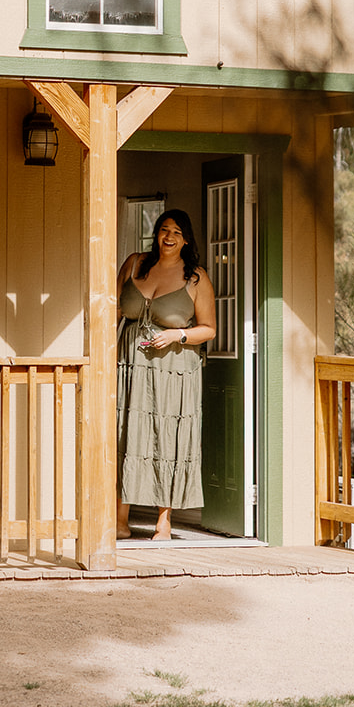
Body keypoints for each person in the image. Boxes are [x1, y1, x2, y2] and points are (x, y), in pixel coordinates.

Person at [116, 209, 216, 542]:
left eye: (175, 231)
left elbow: (209, 329)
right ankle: (119, 519)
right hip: (130, 368)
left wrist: (177, 336)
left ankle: (164, 521)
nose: (168, 236)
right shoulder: (134, 264)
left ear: (186, 239)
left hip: (173, 371)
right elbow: (111, 310)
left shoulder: (196, 278)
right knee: (126, 435)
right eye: (163, 229)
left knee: (166, 437)